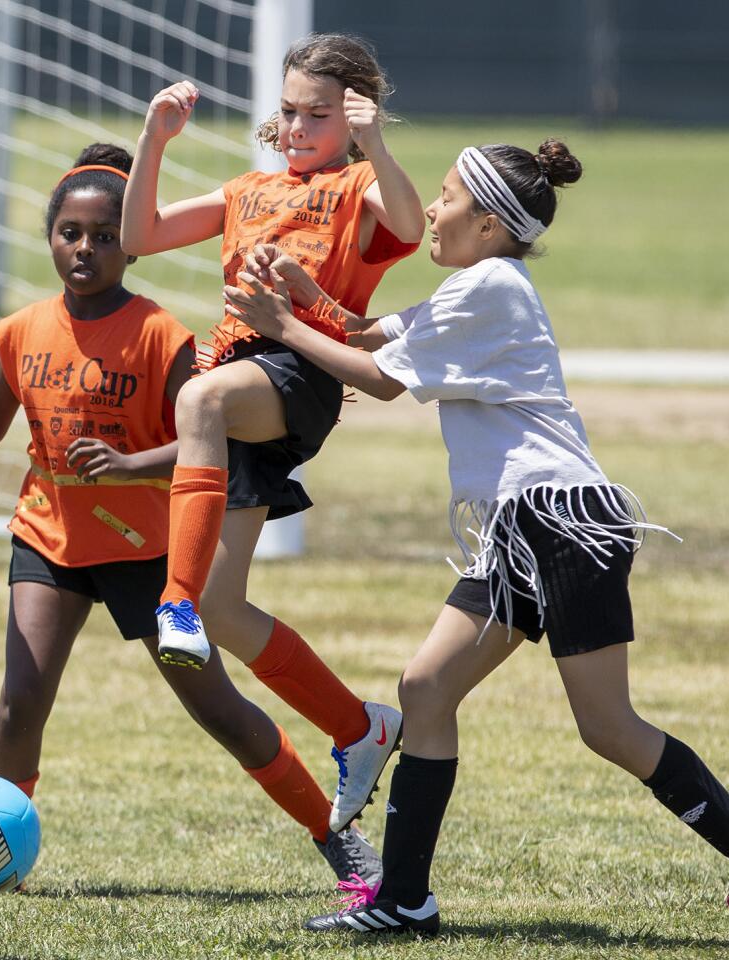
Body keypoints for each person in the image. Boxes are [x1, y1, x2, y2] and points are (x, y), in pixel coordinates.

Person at [223, 139, 729, 935]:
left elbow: (380, 379)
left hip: (563, 522)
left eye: (444, 196)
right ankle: (403, 902)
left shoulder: (490, 287)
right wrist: (304, 298)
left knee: (607, 727)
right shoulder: (479, 284)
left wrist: (281, 327)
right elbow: (368, 336)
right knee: (426, 688)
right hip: (520, 526)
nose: (431, 210)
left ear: (492, 224)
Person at [0, 143, 382, 888]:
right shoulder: (19, 330)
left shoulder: (160, 335)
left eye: (105, 236)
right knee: (18, 707)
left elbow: (206, 442)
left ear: (129, 250)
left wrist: (130, 465)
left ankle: (334, 839)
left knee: (219, 711)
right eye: (70, 233)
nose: (84, 249)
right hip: (49, 538)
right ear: (49, 237)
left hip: (146, 548)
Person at [121, 33, 423, 832]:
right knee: (229, 611)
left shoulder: (360, 181)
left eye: (316, 115)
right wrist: (152, 140)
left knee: (197, 402)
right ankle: (360, 726)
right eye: (287, 112)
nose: (296, 128)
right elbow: (139, 236)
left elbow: (407, 223)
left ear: (352, 115)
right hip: (240, 391)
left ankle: (171, 604)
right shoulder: (247, 188)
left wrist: (373, 141)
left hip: (295, 372)